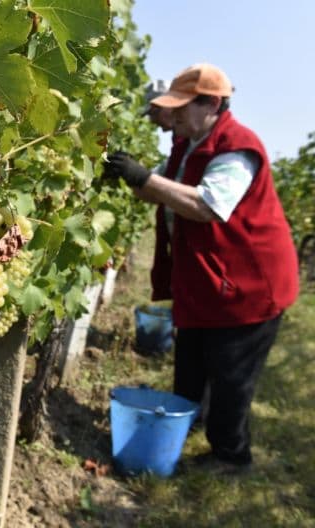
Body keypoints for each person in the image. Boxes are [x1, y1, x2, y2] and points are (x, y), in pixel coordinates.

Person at [103, 63, 299, 472]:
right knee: (192, 358)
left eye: (181, 108)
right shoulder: (189, 143)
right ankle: (189, 422)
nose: (173, 117)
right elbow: (164, 195)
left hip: (247, 286)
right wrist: (131, 179)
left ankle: (231, 455)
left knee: (231, 374)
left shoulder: (237, 145)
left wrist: (145, 178)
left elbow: (208, 205)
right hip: (208, 280)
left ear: (211, 103)